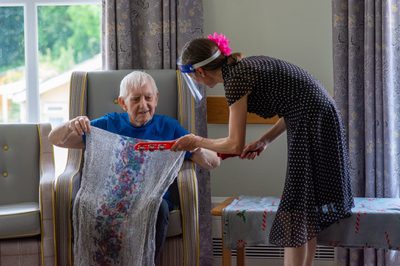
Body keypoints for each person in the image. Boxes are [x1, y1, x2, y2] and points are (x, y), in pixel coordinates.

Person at [171, 33, 354, 266]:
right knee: (304, 208)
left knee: (296, 211)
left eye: (192, 77)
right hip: (318, 116)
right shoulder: (239, 68)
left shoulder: (235, 79)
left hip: (314, 119)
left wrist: (195, 141)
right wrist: (265, 140)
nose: (195, 82)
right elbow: (298, 101)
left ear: (200, 72)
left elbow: (234, 144)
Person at [48, 71, 220, 262]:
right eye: (136, 99)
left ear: (156, 99)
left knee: (159, 207)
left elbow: (213, 161)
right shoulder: (109, 124)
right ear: (123, 103)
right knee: (84, 204)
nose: (143, 105)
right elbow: (55, 139)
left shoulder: (169, 128)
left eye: (148, 98)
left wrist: (196, 147)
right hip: (112, 198)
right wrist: (71, 125)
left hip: (150, 199)